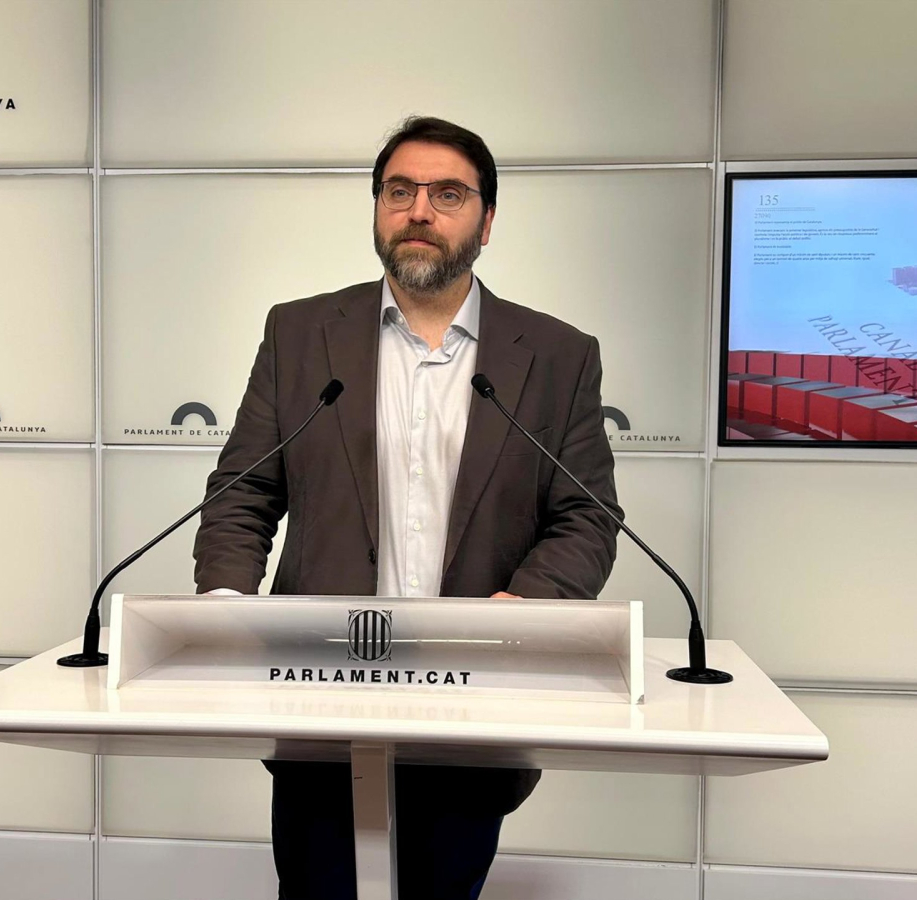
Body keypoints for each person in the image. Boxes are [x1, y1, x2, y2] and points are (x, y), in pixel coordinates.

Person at [193, 116, 622, 900]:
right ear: (378, 210)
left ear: (486, 221)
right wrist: (224, 610)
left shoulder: (558, 356)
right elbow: (243, 492)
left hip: (474, 703)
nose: (419, 210)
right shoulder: (300, 334)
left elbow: (586, 515)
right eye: (400, 191)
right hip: (319, 696)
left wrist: (525, 608)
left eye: (447, 194)